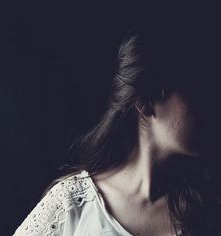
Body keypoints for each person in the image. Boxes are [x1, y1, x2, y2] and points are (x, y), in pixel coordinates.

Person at [13, 25, 221, 236]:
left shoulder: (210, 208)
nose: (214, 108)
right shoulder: (73, 204)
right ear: (145, 103)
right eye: (199, 93)